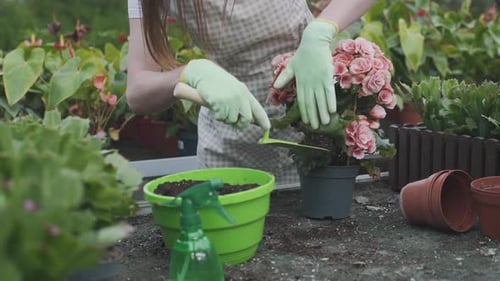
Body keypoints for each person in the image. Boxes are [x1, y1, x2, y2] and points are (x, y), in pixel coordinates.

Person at [126, 0, 376, 185]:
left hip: (312, 133)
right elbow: (138, 92)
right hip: (230, 144)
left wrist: (321, 29)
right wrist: (190, 72)